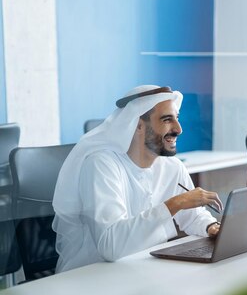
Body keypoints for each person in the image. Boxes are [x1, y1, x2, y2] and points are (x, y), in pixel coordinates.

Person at [53, 85, 223, 273]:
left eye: (177, 118)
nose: (178, 129)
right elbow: (111, 246)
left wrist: (211, 226)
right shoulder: (102, 165)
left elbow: (192, 216)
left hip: (145, 269)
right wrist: (175, 204)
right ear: (138, 125)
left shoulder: (173, 167)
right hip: (94, 274)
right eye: (167, 120)